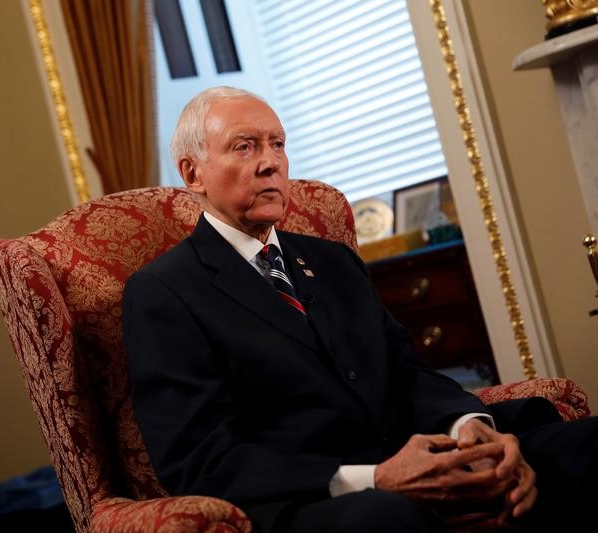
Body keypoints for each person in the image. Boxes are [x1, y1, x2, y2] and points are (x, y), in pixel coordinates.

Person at [122, 86, 598, 532]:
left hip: (415, 452)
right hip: (317, 496)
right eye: (244, 147)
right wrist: (376, 476)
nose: (270, 163)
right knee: (388, 517)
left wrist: (470, 429)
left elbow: (406, 371)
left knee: (582, 445)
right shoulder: (164, 292)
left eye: (278, 144)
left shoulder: (333, 261)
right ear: (192, 173)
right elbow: (201, 459)